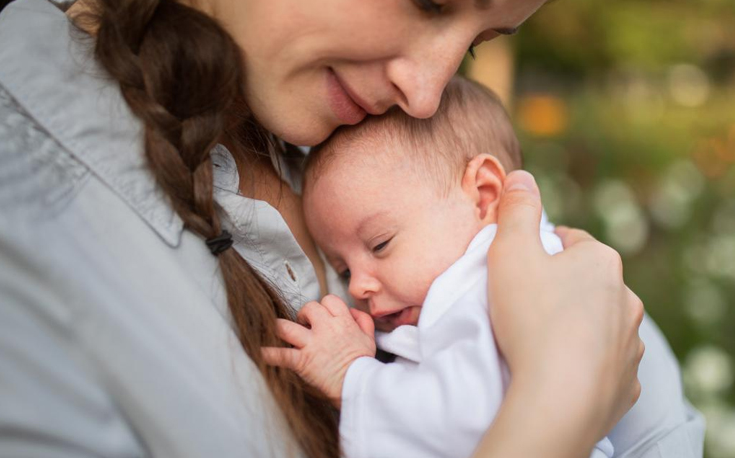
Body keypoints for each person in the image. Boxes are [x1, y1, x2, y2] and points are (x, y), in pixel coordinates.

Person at [0, 0, 645, 457]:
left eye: (475, 44)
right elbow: (591, 367)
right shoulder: (7, 227)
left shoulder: (392, 151)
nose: (425, 93)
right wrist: (557, 402)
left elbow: (658, 425)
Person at [264, 76, 704, 458]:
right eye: (342, 269)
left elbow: (475, 420)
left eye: (380, 244)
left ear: (485, 195)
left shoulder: (483, 285)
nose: (358, 285)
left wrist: (354, 378)